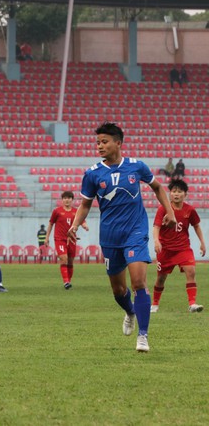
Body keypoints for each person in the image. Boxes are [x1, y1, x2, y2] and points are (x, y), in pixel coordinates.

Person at [67, 122, 176, 353]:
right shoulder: (93, 173)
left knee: (138, 282)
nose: (99, 146)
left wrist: (170, 211)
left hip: (135, 232)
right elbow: (85, 204)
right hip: (110, 237)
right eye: (97, 142)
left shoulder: (137, 167)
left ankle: (143, 336)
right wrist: (75, 224)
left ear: (118, 142)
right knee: (118, 291)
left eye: (104, 141)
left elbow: (157, 188)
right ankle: (130, 312)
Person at [151, 179, 206, 313]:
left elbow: (196, 226)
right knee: (161, 278)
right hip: (166, 250)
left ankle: (192, 303)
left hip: (183, 249)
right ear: (170, 194)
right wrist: (156, 241)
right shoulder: (163, 209)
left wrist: (202, 242)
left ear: (185, 194)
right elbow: (156, 227)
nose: (176, 194)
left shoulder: (190, 210)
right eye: (174, 191)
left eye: (179, 191)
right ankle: (155, 304)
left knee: (191, 271)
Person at [46, 191, 89, 290]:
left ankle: (68, 281)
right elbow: (51, 223)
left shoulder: (76, 211)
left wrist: (84, 225)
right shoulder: (57, 211)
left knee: (70, 262)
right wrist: (47, 237)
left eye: (69, 198)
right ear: (62, 200)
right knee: (63, 259)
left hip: (72, 239)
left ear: (72, 200)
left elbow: (81, 220)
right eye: (65, 198)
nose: (67, 200)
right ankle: (65, 281)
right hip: (60, 239)